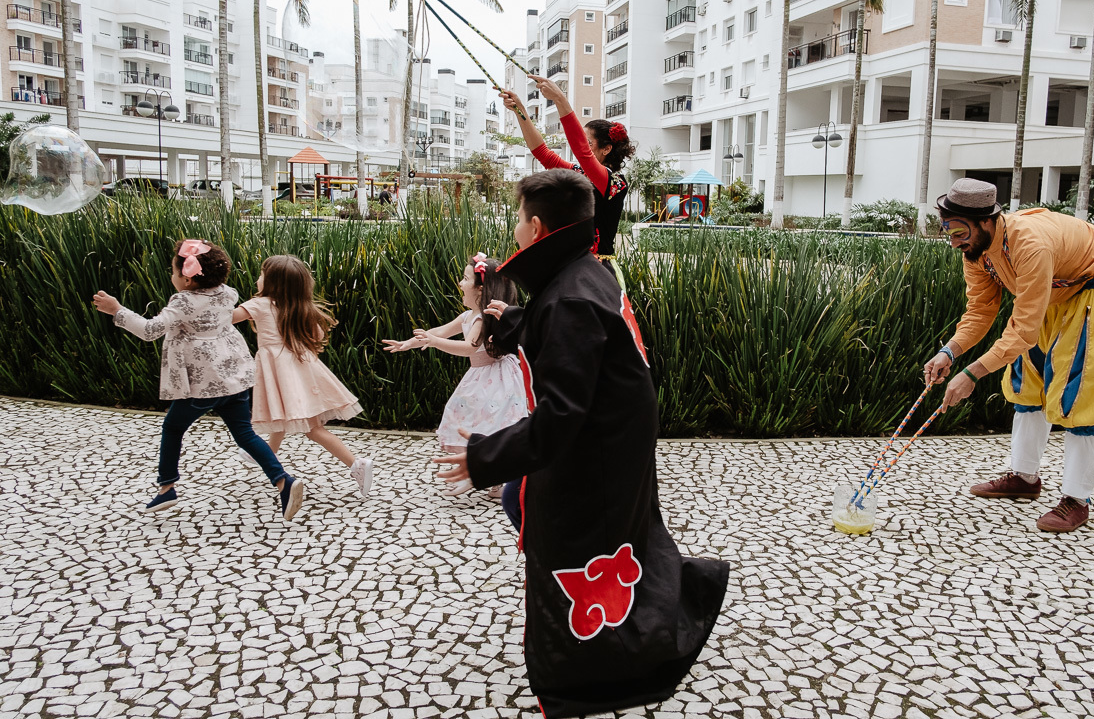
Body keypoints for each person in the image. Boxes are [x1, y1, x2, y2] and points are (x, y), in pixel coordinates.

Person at [433, 170, 729, 717]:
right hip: (618, 447)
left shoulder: (569, 295)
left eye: (520, 219)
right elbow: (580, 337)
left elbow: (564, 411)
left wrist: (485, 456)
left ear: (538, 224)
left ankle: (592, 677)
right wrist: (519, 319)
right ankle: (627, 644)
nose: (516, 231)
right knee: (614, 547)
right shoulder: (585, 273)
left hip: (594, 455)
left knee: (578, 555)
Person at [924, 178, 1094, 533]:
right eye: (946, 230)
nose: (953, 240)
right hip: (1054, 297)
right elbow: (981, 311)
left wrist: (972, 374)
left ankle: (1076, 498)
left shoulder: (1030, 244)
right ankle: (1024, 478)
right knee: (1028, 381)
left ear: (985, 222)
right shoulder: (975, 252)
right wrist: (950, 351)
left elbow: (1023, 330)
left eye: (958, 230)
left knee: (1080, 391)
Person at [91, 239, 305, 520]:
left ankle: (167, 487)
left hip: (201, 383)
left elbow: (150, 330)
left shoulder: (183, 300)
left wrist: (117, 310)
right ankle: (283, 482)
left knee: (173, 427)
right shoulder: (227, 293)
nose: (172, 276)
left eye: (174, 271)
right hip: (233, 377)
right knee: (245, 434)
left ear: (188, 279)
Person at [382, 254, 527, 502]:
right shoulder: (467, 317)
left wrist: (435, 343)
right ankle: (492, 481)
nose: (460, 283)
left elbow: (470, 347)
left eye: (465, 279)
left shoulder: (482, 318)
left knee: (493, 424)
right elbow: (438, 331)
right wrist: (409, 343)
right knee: (473, 420)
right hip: (480, 377)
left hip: (498, 379)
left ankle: (477, 474)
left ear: (480, 290)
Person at [234, 255, 372, 498]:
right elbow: (317, 337)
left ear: (272, 283)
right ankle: (268, 454)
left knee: (312, 428)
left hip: (281, 372)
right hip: (302, 368)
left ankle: (356, 464)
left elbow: (227, 318)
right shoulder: (300, 307)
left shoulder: (260, 304)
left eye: (261, 275)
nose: (258, 279)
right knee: (287, 416)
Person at [498, 76, 635, 264]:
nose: (584, 147)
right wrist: (519, 111)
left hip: (596, 268)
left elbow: (582, 153)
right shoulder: (579, 173)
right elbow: (543, 153)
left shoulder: (615, 183)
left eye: (589, 143)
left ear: (607, 148)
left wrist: (560, 100)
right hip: (572, 264)